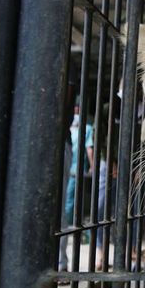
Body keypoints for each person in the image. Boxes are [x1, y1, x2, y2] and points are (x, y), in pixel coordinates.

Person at [59, 105, 95, 274]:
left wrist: (93, 167)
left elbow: (89, 149)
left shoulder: (85, 129)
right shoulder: (80, 129)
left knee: (66, 207)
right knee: (65, 207)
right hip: (73, 169)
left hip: (75, 169)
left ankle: (61, 262)